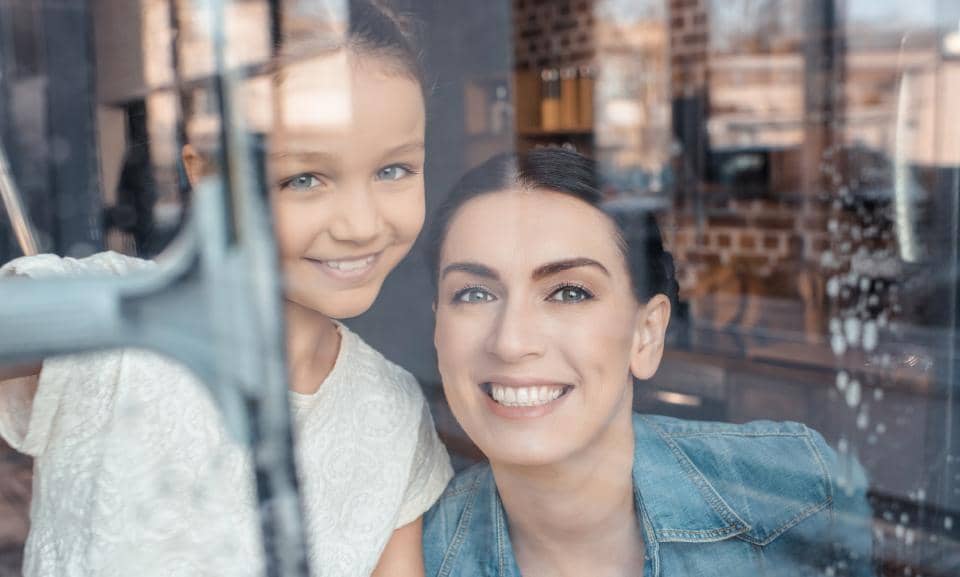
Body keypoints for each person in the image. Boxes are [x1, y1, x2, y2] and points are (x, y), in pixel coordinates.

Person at [0, 1, 452, 575]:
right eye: (304, 178)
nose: (360, 224)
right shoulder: (108, 312)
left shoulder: (395, 412)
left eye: (393, 170)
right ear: (206, 174)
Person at [422, 148, 874, 577]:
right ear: (438, 330)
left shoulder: (799, 490)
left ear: (647, 333)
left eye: (569, 292)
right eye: (474, 294)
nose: (511, 341)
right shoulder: (403, 554)